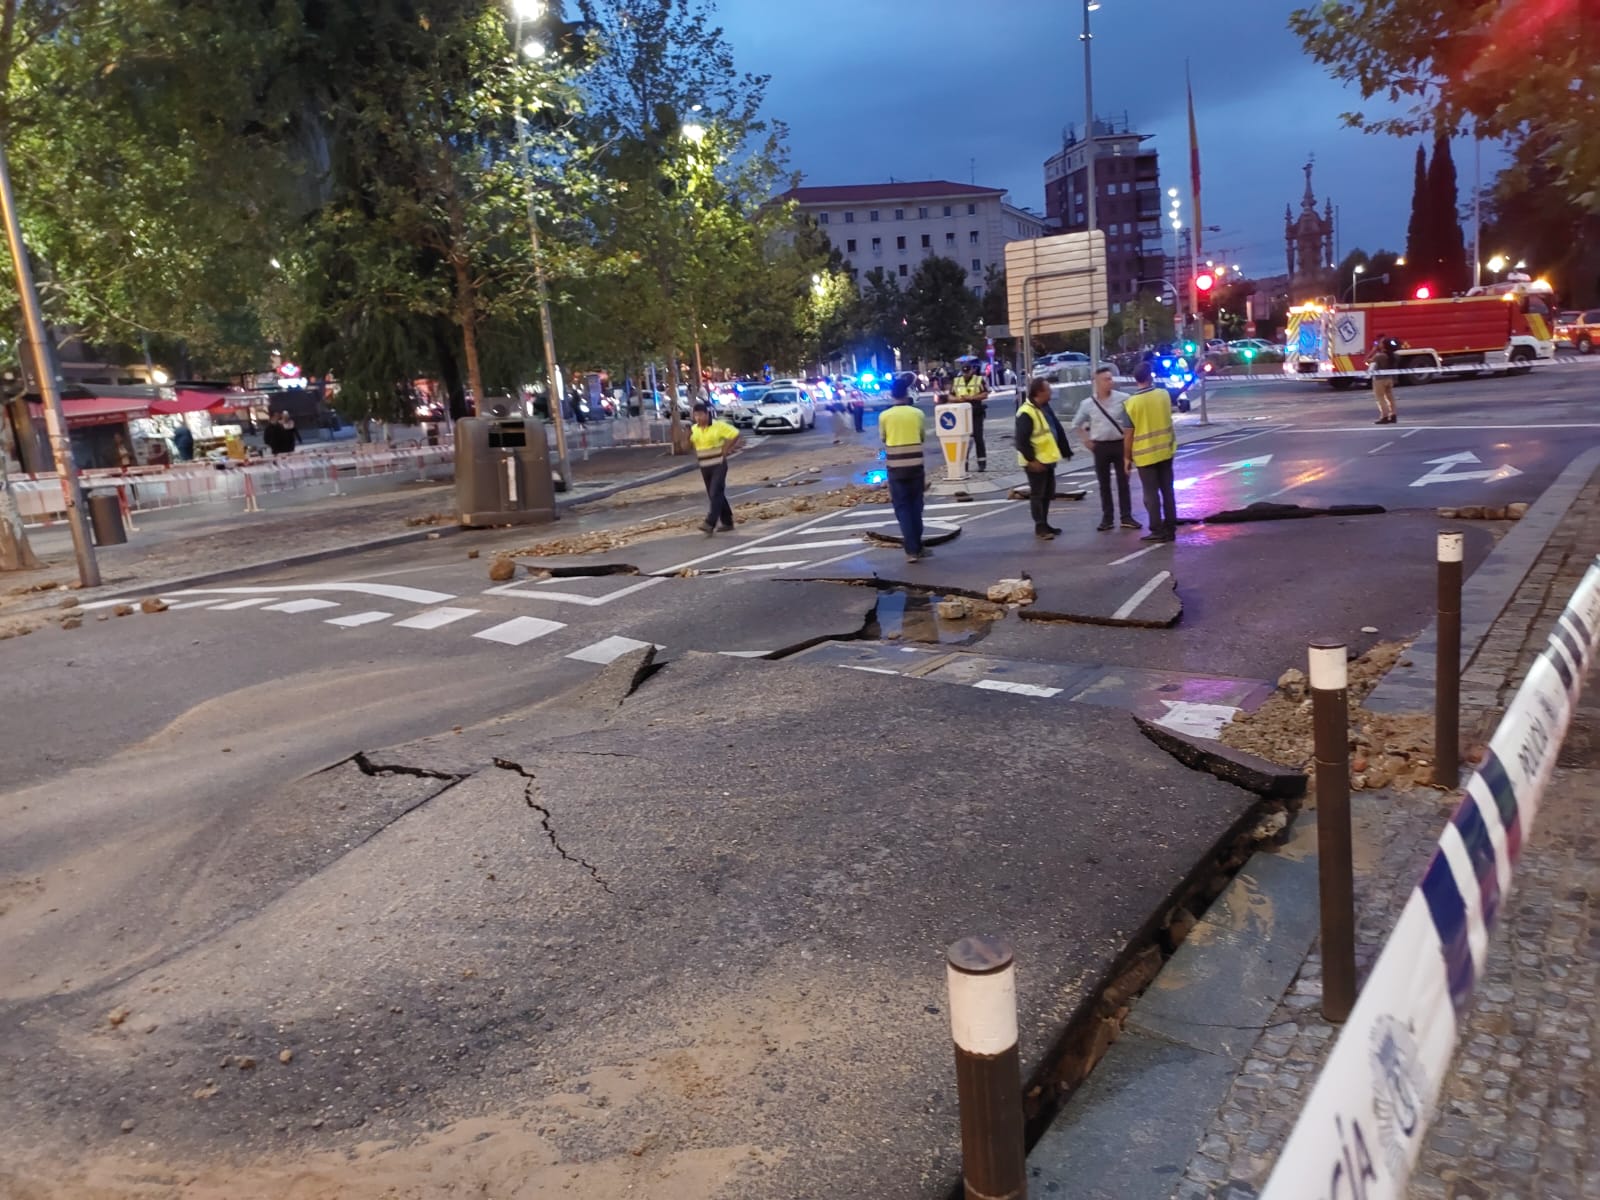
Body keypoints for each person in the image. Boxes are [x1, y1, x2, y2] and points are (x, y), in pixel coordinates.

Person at [1071, 366, 1140, 532]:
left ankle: (1126, 516)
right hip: (1100, 446)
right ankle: (1107, 518)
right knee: (1104, 484)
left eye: (1111, 378)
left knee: (1123, 481)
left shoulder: (1124, 398)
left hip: (1119, 444)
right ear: (1097, 382)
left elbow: (1134, 417)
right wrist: (1086, 441)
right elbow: (1076, 423)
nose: (1110, 382)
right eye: (1106, 379)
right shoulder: (1087, 404)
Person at [1123, 363, 1178, 543]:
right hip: (1165, 451)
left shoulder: (1130, 404)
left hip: (1145, 456)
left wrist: (1126, 457)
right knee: (1167, 491)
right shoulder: (1163, 395)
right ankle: (1171, 526)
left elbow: (1128, 434)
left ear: (1135, 379)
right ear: (1151, 377)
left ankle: (1156, 529)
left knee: (1151, 494)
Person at [880, 376, 929, 562]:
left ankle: (911, 550)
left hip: (895, 468)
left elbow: (883, 438)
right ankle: (917, 545)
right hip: (916, 466)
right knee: (916, 506)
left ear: (891, 395)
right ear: (907, 394)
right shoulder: (917, 414)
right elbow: (922, 436)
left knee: (902, 508)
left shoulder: (884, 416)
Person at [1015, 377, 1068, 539]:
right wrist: (1032, 460)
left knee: (1047, 494)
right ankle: (1040, 527)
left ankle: (1045, 523)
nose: (1051, 392)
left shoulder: (1042, 407)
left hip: (1047, 459)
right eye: (1048, 390)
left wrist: (1065, 450)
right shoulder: (1026, 412)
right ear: (1040, 392)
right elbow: (1021, 440)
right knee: (1038, 495)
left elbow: (1055, 428)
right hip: (1035, 462)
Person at [688, 402, 740, 535]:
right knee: (716, 494)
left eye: (700, 415)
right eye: (696, 415)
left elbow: (735, 434)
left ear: (706, 414)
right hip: (705, 466)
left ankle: (710, 522)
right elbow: (693, 442)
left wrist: (726, 450)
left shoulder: (717, 426)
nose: (698, 418)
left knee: (715, 492)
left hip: (718, 464)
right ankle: (727, 521)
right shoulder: (695, 428)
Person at [952, 361, 989, 471]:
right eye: (964, 372)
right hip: (961, 413)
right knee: (964, 439)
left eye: (968, 372)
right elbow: (950, 396)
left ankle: (981, 463)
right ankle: (964, 464)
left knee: (978, 438)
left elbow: (985, 394)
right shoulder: (957, 381)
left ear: (972, 370)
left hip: (976, 413)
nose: (966, 374)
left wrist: (971, 398)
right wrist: (958, 399)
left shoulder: (978, 380)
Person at [1369, 335, 1398, 424]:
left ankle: (1384, 416)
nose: (1379, 344)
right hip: (1389, 378)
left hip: (1379, 380)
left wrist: (1373, 350)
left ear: (1384, 345)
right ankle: (1393, 415)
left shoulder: (1379, 356)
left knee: (1380, 398)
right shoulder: (1394, 355)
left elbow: (1367, 361)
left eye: (1381, 343)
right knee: (1390, 397)